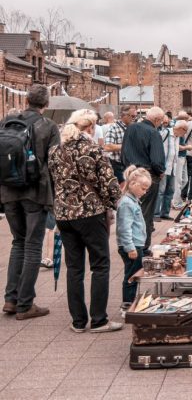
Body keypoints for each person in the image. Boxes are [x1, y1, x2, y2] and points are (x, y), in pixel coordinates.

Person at [48, 109, 123, 333]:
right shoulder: (92, 149)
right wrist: (113, 204)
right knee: (100, 265)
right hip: (91, 212)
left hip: (64, 214)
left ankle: (78, 321)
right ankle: (99, 319)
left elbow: (53, 181)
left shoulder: (54, 150)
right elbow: (109, 183)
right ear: (90, 127)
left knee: (74, 268)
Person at [1, 85, 60, 319]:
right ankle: (26, 304)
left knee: (18, 243)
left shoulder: (8, 121)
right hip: (36, 191)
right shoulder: (48, 126)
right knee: (33, 246)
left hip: (8, 189)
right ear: (45, 104)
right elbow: (55, 161)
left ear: (27, 100)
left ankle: (10, 299)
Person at [121, 106, 166, 250]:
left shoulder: (131, 128)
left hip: (132, 174)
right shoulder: (153, 132)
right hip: (147, 175)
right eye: (161, 121)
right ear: (157, 119)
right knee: (145, 213)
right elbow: (157, 160)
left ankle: (129, 243)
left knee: (131, 211)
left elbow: (123, 153)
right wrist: (160, 171)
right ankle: (142, 246)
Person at [116, 166, 151, 311]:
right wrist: (130, 247)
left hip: (135, 244)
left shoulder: (131, 201)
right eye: (143, 188)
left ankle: (130, 302)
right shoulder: (127, 203)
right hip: (132, 246)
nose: (145, 192)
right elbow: (124, 228)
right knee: (132, 276)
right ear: (132, 184)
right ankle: (127, 305)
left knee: (133, 273)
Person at [155, 115, 181, 221]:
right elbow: (158, 146)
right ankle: (156, 214)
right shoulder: (166, 133)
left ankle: (165, 213)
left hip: (173, 166)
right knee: (161, 190)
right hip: (164, 166)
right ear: (180, 129)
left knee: (170, 190)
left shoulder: (177, 137)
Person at [104, 105, 137, 184]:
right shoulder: (114, 128)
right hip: (118, 167)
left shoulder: (133, 128)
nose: (134, 118)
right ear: (124, 115)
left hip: (131, 165)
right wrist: (126, 146)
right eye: (132, 116)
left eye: (135, 116)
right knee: (122, 191)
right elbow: (107, 147)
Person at [171, 120, 189, 209]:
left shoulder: (179, 134)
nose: (186, 132)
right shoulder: (176, 134)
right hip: (178, 158)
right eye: (185, 130)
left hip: (183, 157)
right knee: (178, 181)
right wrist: (187, 147)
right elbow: (177, 147)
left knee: (184, 180)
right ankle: (175, 201)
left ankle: (175, 198)